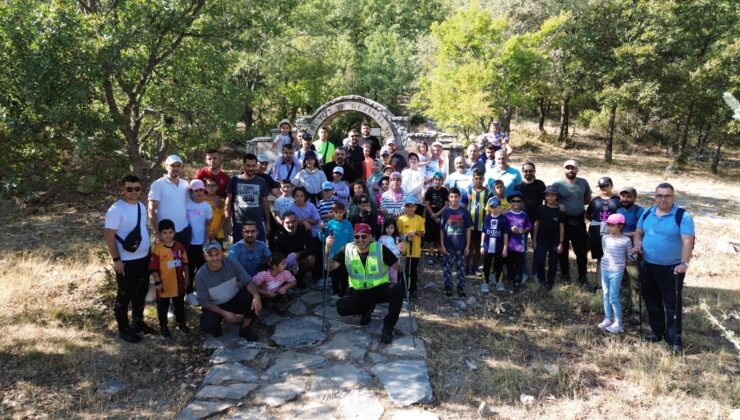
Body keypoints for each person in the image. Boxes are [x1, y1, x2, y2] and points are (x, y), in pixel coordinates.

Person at [632, 183, 695, 354]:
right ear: (655, 196)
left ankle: (674, 339)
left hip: (672, 268)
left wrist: (684, 264)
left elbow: (687, 241)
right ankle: (657, 332)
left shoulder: (683, 216)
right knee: (651, 300)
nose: (663, 199)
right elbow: (638, 233)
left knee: (672, 304)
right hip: (647, 264)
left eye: (667, 196)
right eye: (660, 195)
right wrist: (637, 245)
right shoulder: (647, 212)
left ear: (673, 197)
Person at [326, 223, 405, 344]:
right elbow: (329, 268)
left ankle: (388, 327)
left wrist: (402, 254)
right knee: (342, 309)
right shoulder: (347, 249)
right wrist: (327, 249)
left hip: (379, 289)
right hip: (358, 290)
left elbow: (399, 269)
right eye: (357, 237)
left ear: (371, 237)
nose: (360, 240)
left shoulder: (380, 248)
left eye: (364, 236)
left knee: (397, 289)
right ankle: (367, 309)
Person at [104, 175, 153, 343]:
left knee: (141, 292)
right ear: (122, 189)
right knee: (124, 295)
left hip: (144, 258)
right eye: (129, 189)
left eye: (137, 189)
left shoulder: (141, 206)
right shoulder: (116, 209)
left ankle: (138, 322)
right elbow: (109, 236)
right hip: (126, 261)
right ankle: (124, 329)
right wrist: (116, 259)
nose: (133, 192)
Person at [196, 241, 262, 341]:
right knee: (209, 326)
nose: (214, 258)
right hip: (216, 305)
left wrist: (257, 296)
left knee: (253, 297)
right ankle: (222, 324)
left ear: (222, 253)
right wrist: (224, 313)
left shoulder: (232, 263)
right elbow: (204, 302)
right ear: (205, 257)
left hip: (234, 298)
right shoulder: (200, 275)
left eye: (217, 254)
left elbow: (248, 281)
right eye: (210, 255)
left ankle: (245, 328)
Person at [554, 159, 592, 286]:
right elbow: (550, 199)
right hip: (563, 222)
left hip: (579, 221)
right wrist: (558, 205)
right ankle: (565, 275)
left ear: (577, 169)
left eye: (573, 168)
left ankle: (582, 276)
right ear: (564, 169)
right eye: (568, 168)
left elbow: (587, 199)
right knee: (563, 249)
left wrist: (576, 205)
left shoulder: (583, 182)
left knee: (581, 250)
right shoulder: (557, 184)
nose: (570, 170)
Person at [149, 219, 189, 338]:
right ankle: (163, 326)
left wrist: (187, 277)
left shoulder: (180, 246)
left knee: (179, 305)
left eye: (170, 232)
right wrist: (157, 281)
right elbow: (153, 268)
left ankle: (181, 323)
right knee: (163, 307)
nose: (168, 235)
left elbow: (185, 262)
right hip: (164, 285)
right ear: (160, 234)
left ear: (175, 232)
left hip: (178, 284)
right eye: (164, 232)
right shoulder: (158, 249)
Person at [597, 213, 633, 334]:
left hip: (617, 271)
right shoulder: (605, 238)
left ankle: (618, 323)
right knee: (605, 294)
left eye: (612, 225)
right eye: (608, 224)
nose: (609, 227)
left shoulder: (626, 240)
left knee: (613, 297)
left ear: (620, 226)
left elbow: (629, 257)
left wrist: (637, 253)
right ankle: (608, 318)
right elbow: (604, 251)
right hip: (604, 268)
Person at [585, 176, 622, 290]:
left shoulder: (617, 200)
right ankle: (600, 285)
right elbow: (588, 214)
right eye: (601, 186)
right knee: (601, 258)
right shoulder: (595, 201)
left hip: (614, 232)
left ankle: (614, 286)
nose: (604, 188)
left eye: (606, 185)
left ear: (611, 185)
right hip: (597, 233)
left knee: (614, 257)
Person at [226, 153, 271, 242]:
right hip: (239, 222)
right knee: (238, 250)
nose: (251, 168)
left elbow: (265, 202)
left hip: (257, 221)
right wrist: (228, 222)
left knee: (260, 249)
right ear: (244, 165)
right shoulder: (234, 180)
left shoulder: (261, 181)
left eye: (253, 165)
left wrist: (268, 222)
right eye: (248, 165)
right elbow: (227, 202)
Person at [617, 186, 645, 326]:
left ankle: (637, 313)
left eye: (628, 196)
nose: (625, 199)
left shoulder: (640, 212)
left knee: (635, 284)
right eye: (623, 196)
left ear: (634, 198)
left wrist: (622, 234)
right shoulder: (619, 210)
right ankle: (625, 307)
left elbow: (638, 232)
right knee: (623, 282)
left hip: (633, 252)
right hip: (619, 251)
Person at [514, 161, 546, 281]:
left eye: (530, 170)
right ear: (522, 172)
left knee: (537, 247)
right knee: (522, 247)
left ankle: (536, 273)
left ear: (534, 171)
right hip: (522, 221)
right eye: (526, 171)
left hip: (538, 220)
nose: (528, 173)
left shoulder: (540, 185)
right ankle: (524, 273)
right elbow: (515, 204)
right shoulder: (519, 187)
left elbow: (547, 200)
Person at [148, 154, 190, 247]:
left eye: (178, 166)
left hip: (184, 230)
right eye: (172, 165)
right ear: (166, 167)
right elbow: (151, 210)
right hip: (166, 234)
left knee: (184, 260)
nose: (176, 168)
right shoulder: (158, 184)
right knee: (167, 261)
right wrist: (156, 232)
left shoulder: (185, 184)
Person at [440, 187, 472, 297]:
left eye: (456, 197)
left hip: (461, 246)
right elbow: (442, 230)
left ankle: (460, 287)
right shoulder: (446, 212)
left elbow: (468, 229)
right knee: (447, 267)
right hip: (448, 245)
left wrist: (467, 245)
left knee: (461, 268)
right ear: (449, 198)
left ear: (459, 197)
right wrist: (442, 245)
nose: (454, 199)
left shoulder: (464, 212)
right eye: (452, 197)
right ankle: (447, 286)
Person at [270, 211, 316, 286]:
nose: (291, 225)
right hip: (284, 261)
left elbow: (311, 247)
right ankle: (288, 279)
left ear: (297, 221)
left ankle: (299, 277)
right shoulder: (278, 234)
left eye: (293, 221)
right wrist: (285, 260)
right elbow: (275, 252)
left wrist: (299, 254)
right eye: (287, 222)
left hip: (299, 258)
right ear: (283, 223)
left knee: (311, 259)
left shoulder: (304, 229)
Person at [185, 179, 213, 302]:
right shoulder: (186, 204)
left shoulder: (206, 206)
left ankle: (199, 290)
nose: (199, 193)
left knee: (202, 268)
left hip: (201, 242)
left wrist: (205, 240)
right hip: (189, 243)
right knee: (189, 268)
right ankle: (189, 292)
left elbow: (208, 224)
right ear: (191, 192)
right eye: (196, 190)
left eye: (201, 190)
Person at [533, 185, 565, 291]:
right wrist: (534, 240)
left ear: (557, 197)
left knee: (553, 262)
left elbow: (561, 227)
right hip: (541, 240)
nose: (550, 198)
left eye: (553, 195)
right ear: (545, 197)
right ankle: (541, 280)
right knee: (540, 260)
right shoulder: (541, 209)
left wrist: (561, 242)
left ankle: (550, 281)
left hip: (555, 241)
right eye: (548, 195)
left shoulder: (560, 211)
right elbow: (536, 224)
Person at [320, 202, 354, 298]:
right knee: (335, 275)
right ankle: (335, 293)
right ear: (333, 213)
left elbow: (351, 239)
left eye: (340, 211)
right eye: (336, 212)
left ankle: (343, 293)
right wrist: (322, 231)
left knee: (344, 275)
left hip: (345, 254)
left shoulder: (348, 224)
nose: (338, 214)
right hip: (333, 254)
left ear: (344, 212)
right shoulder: (329, 224)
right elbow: (322, 238)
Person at [462, 168, 491, 276]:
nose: (478, 180)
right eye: (476, 178)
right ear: (473, 179)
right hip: (470, 224)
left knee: (478, 246)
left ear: (483, 179)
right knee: (468, 246)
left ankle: (474, 267)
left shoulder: (488, 192)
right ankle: (466, 266)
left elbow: (490, 208)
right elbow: (464, 206)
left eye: (480, 178)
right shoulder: (468, 191)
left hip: (482, 224)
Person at [397, 195, 425, 300]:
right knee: (403, 270)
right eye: (407, 206)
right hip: (404, 249)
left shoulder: (419, 219)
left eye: (412, 206)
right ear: (405, 207)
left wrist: (415, 232)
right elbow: (398, 234)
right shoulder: (401, 219)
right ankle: (403, 290)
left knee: (413, 270)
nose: (410, 209)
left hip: (415, 249)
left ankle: (413, 289)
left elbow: (422, 233)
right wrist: (406, 236)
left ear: (415, 207)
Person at [505, 191, 532, 292]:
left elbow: (529, 226)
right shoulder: (507, 215)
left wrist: (523, 230)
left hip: (520, 246)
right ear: (510, 202)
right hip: (508, 245)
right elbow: (503, 227)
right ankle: (510, 279)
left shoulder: (524, 215)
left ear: (522, 203)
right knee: (509, 264)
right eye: (513, 201)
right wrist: (510, 229)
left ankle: (517, 282)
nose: (516, 203)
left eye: (518, 201)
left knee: (519, 265)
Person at [480, 197, 509, 293]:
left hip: (499, 248)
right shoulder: (487, 218)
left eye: (496, 206)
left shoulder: (503, 219)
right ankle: (485, 282)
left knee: (499, 265)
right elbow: (484, 232)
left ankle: (498, 281)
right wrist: (481, 245)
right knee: (486, 265)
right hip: (488, 247)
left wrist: (505, 248)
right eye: (492, 207)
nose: (494, 209)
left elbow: (505, 234)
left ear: (500, 207)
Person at [423, 172, 449, 263]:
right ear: (433, 180)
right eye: (436, 179)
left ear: (442, 181)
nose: (437, 181)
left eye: (439, 180)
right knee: (430, 238)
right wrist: (433, 216)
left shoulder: (445, 191)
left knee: (439, 237)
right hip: (431, 217)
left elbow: (446, 204)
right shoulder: (429, 191)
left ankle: (440, 253)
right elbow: (426, 204)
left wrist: (437, 214)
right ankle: (431, 254)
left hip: (441, 217)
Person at [203, 177, 225, 243]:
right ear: (205, 188)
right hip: (204, 232)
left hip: (218, 233)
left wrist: (216, 231)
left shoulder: (221, 200)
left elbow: (224, 217)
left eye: (213, 185)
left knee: (218, 252)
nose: (211, 188)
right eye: (208, 185)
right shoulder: (202, 201)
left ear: (217, 187)